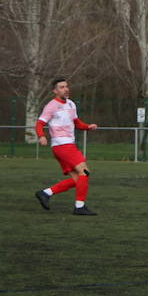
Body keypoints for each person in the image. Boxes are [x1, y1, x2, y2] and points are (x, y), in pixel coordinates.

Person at [33, 78, 98, 215]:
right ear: (55, 91)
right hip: (61, 145)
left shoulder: (71, 104)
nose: (66, 89)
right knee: (84, 172)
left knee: (78, 179)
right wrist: (42, 136)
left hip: (68, 145)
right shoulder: (51, 106)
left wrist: (87, 127)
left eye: (66, 86)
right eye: (61, 87)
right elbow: (39, 123)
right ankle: (79, 207)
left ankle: (45, 193)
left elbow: (77, 123)